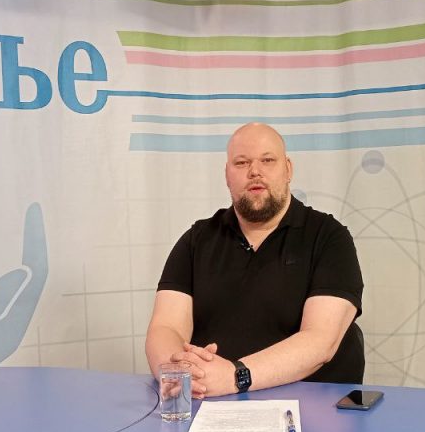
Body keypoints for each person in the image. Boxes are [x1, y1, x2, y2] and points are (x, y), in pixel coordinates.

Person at [145, 122, 364, 398]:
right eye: (242, 162)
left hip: (309, 409)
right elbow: (165, 327)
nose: (255, 171)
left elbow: (321, 342)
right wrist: (178, 373)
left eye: (267, 160)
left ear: (288, 170)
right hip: (213, 405)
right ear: (227, 175)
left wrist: (236, 376)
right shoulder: (196, 240)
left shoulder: (329, 237)